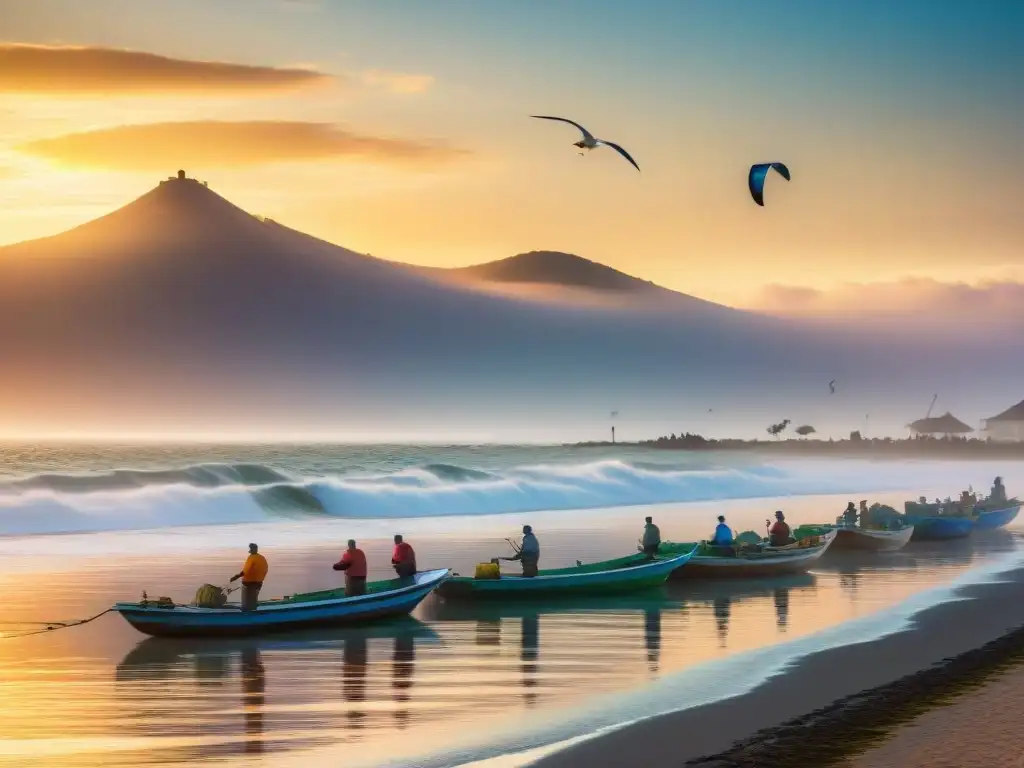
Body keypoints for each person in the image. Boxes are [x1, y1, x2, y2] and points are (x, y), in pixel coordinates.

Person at [229, 543, 268, 612]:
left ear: (252, 549)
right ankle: (253, 612)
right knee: (253, 601)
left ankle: (246, 615)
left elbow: (245, 571)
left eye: (251, 548)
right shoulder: (262, 557)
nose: (250, 550)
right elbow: (265, 569)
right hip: (258, 583)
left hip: (249, 584)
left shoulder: (252, 557)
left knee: (246, 604)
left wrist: (236, 577)